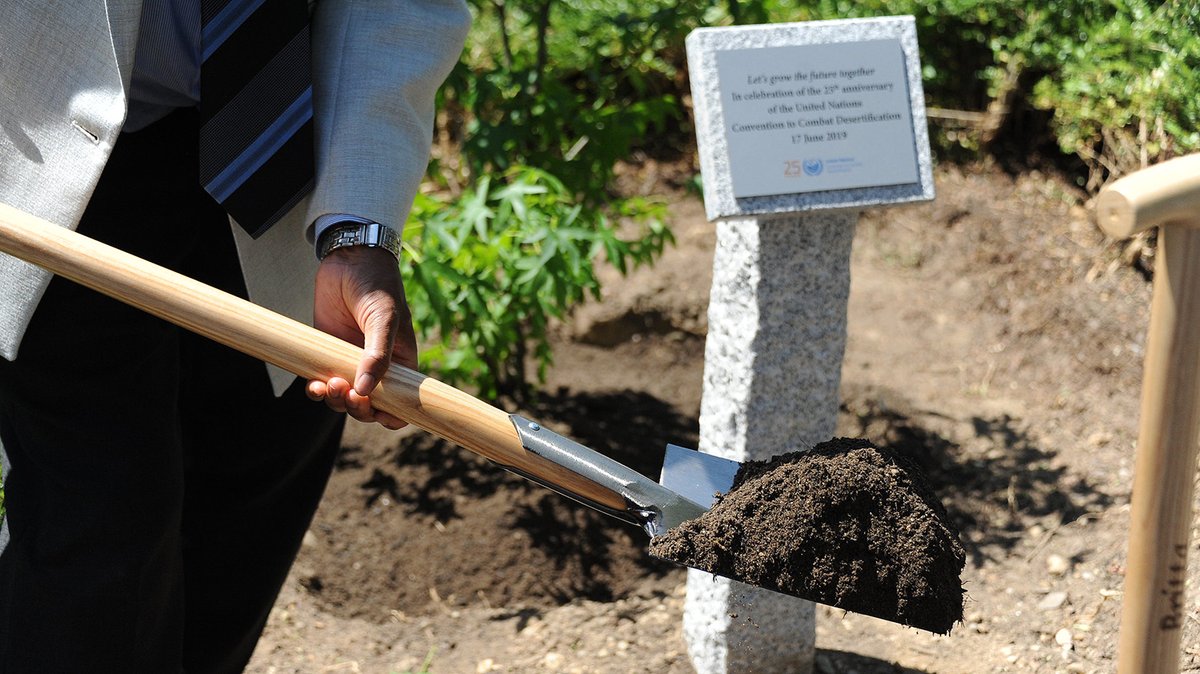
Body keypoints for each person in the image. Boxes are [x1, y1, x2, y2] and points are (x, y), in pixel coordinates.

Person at [0, 0, 470, 671]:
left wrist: (358, 233)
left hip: (276, 153)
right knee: (99, 525)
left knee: (250, 494)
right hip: (45, 149)